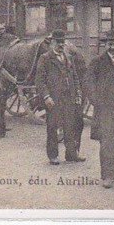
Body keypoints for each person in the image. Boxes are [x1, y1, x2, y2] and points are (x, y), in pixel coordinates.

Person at [35, 29, 87, 165]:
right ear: (52, 43)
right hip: (54, 99)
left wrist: (78, 94)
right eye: (58, 42)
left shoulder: (68, 57)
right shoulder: (45, 58)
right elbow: (40, 80)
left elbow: (75, 77)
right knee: (52, 126)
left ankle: (71, 154)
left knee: (70, 125)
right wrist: (46, 97)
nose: (60, 45)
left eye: (62, 42)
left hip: (69, 97)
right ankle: (53, 155)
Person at [86, 30, 114, 188]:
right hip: (105, 110)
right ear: (105, 45)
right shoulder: (97, 62)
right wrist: (96, 101)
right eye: (110, 44)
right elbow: (88, 82)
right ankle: (106, 176)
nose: (113, 47)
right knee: (107, 143)